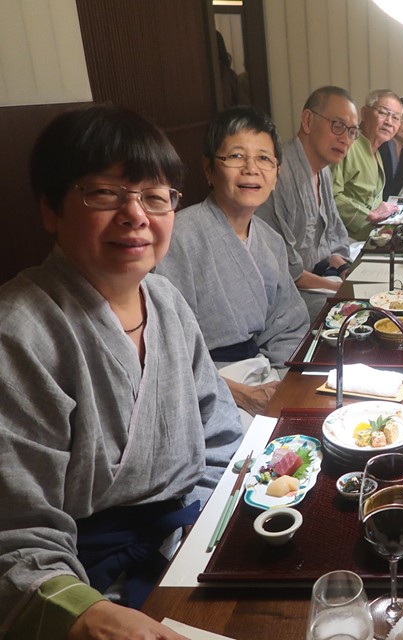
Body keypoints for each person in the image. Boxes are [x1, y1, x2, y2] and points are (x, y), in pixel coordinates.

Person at [0, 105, 242, 639]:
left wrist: (206, 529)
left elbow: (221, 431)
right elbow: (14, 532)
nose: (136, 215)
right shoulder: (19, 334)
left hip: (191, 541)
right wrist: (86, 615)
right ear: (50, 209)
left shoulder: (165, 300)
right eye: (106, 194)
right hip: (87, 581)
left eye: (155, 197)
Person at [157, 106, 309, 421]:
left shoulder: (270, 241)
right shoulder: (177, 237)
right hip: (205, 388)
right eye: (237, 156)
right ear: (209, 169)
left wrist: (282, 382)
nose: (251, 169)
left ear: (276, 174)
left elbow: (288, 325)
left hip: (265, 376)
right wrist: (238, 394)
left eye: (264, 158)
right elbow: (167, 348)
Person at [256, 86, 358, 320]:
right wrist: (340, 289)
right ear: (308, 120)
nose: (345, 139)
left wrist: (343, 268)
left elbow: (332, 239)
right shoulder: (277, 175)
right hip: (288, 297)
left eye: (352, 132)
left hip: (321, 279)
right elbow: (283, 271)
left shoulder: (323, 171)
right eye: (338, 126)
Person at [332, 89, 403, 240]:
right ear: (364, 113)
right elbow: (330, 196)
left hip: (373, 237)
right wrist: (369, 214)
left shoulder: (376, 151)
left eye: (396, 118)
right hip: (345, 241)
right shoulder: (347, 145)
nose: (389, 122)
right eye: (383, 113)